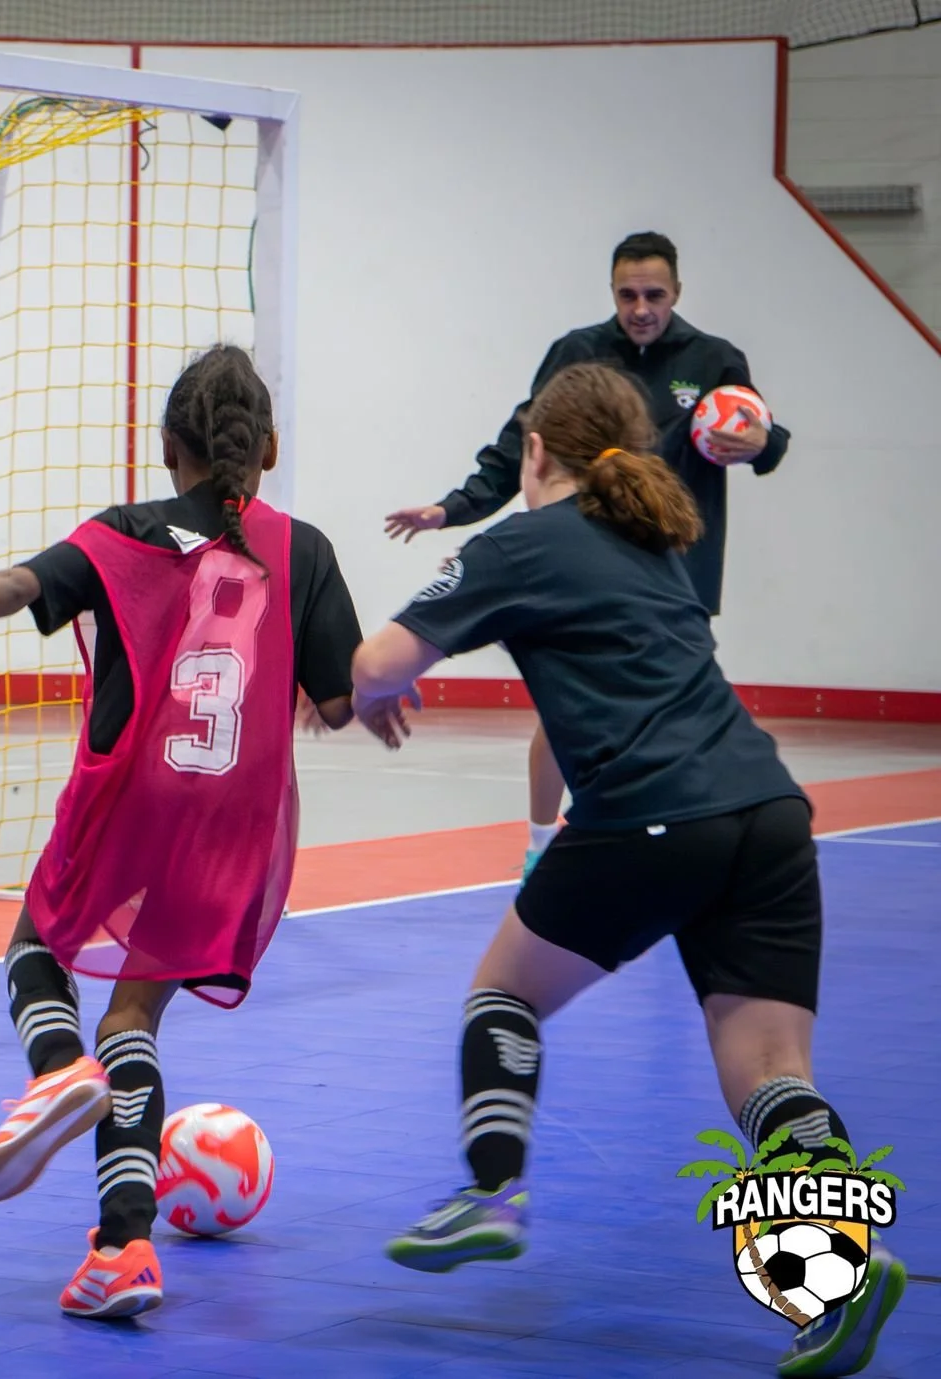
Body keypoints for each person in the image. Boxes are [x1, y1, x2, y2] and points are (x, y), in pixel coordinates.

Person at [354, 362, 902, 1378]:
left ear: (532, 450)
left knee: (501, 994)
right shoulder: (655, 544)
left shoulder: (516, 540)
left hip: (652, 816)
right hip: (768, 809)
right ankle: (840, 1284)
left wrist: (377, 690)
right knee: (771, 1077)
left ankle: (489, 1190)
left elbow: (375, 660)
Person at [0, 345, 387, 1319]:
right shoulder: (307, 549)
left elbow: (11, 586)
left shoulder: (124, 533)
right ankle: (123, 1249)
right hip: (233, 828)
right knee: (133, 1017)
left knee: (32, 947)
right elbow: (340, 697)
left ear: (166, 445)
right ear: (270, 447)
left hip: (134, 795)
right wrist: (382, 684)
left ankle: (52, 1071)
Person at [383, 232, 792, 876]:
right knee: (566, 709)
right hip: (587, 562)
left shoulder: (715, 360)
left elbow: (764, 436)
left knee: (674, 706)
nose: (641, 308)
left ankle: (662, 831)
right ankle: (545, 843)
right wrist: (451, 509)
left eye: (654, 294)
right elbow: (520, 444)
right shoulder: (578, 354)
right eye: (627, 294)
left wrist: (759, 442)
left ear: (677, 293)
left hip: (676, 568)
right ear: (612, 293)